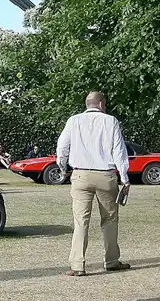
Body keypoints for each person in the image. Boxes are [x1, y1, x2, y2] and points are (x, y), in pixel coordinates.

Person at [56, 91, 131, 276]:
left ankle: (77, 265)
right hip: (105, 175)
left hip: (80, 175)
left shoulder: (73, 120)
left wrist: (63, 167)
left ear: (87, 104)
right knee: (110, 219)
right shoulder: (110, 121)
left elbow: (62, 146)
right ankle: (111, 260)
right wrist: (124, 177)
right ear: (102, 104)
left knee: (80, 221)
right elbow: (119, 150)